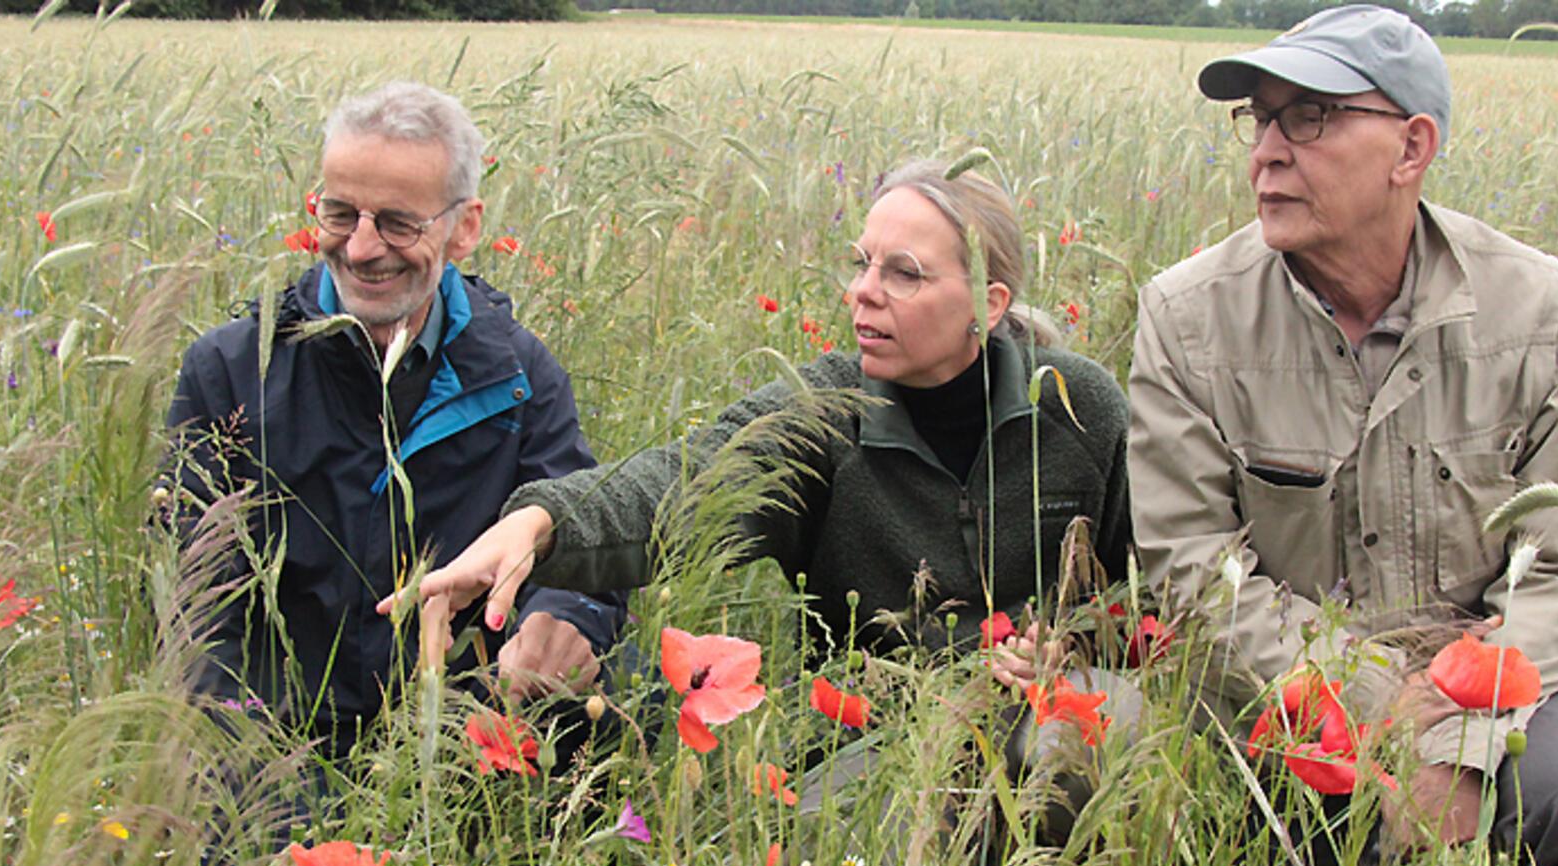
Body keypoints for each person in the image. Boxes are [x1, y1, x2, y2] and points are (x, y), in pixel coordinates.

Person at [1127, 7, 1558, 866]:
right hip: (1278, 688)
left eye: (1310, 119)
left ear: (1412, 146)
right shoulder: (1188, 318)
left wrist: (1457, 737)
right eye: (1259, 120)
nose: (1268, 151)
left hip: (1496, 684)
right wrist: (1379, 720)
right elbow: (1191, 570)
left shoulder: (1540, 312)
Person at [395, 159, 1130, 670]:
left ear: (989, 303)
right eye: (860, 263)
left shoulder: (1080, 410)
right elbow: (685, 481)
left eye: (903, 273)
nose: (862, 293)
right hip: (869, 746)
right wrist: (542, 522)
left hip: (1051, 727)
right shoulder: (824, 413)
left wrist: (1076, 647)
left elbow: (1149, 588)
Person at [166, 81, 622, 768]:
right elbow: (195, 612)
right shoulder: (231, 372)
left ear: (464, 227)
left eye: (398, 224)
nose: (360, 248)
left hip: (465, 746)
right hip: (280, 746)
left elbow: (581, 528)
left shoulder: (518, 377)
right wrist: (251, 773)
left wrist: (564, 619)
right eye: (340, 213)